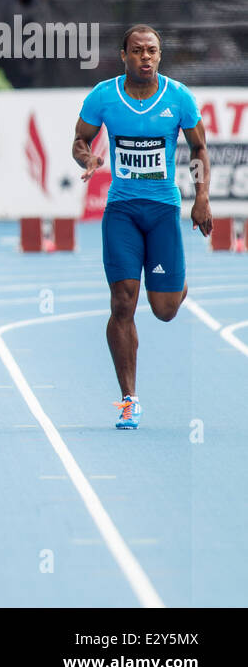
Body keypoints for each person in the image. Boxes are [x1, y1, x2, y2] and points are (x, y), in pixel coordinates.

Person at [73, 25, 212, 429]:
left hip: (163, 210)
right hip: (121, 210)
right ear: (123, 56)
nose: (145, 57)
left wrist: (201, 197)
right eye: (137, 51)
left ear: (160, 56)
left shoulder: (178, 97)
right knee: (122, 301)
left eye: (152, 51)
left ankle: (176, 280)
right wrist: (88, 159)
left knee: (165, 310)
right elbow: (79, 140)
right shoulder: (103, 96)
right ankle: (129, 398)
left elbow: (199, 147)